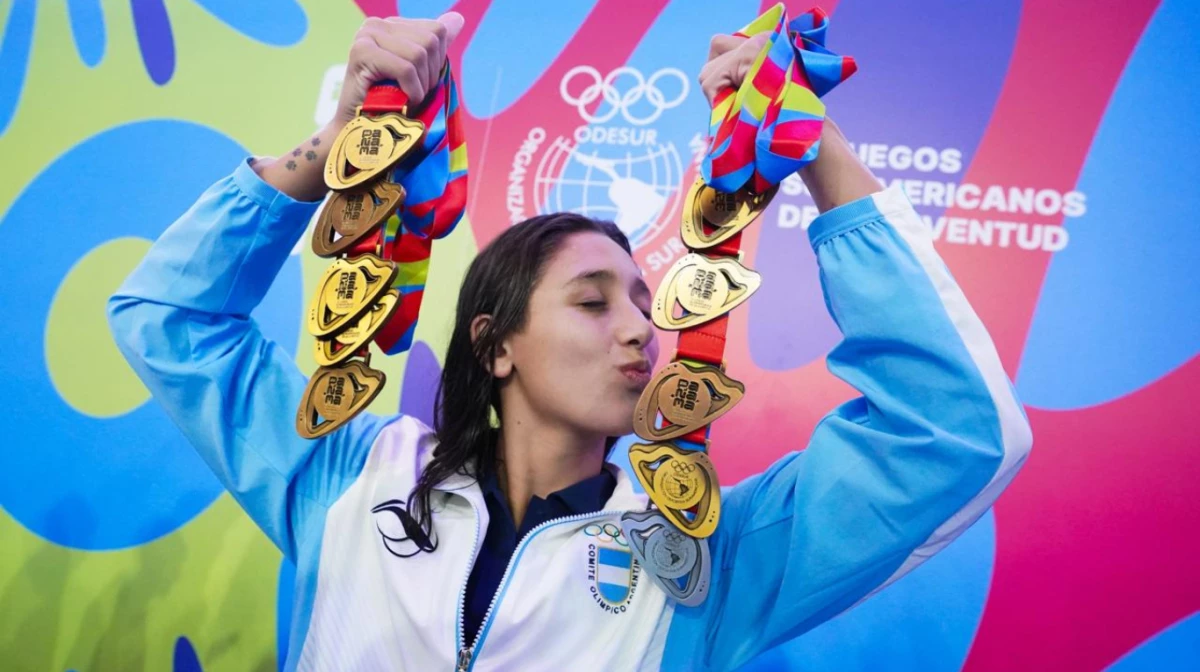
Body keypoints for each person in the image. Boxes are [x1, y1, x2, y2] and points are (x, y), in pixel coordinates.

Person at [108, 12, 1032, 672]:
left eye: (643, 300)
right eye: (592, 302)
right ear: (494, 344)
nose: (642, 328)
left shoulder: (711, 555)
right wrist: (335, 146)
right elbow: (167, 319)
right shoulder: (345, 477)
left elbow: (956, 432)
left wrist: (804, 135)